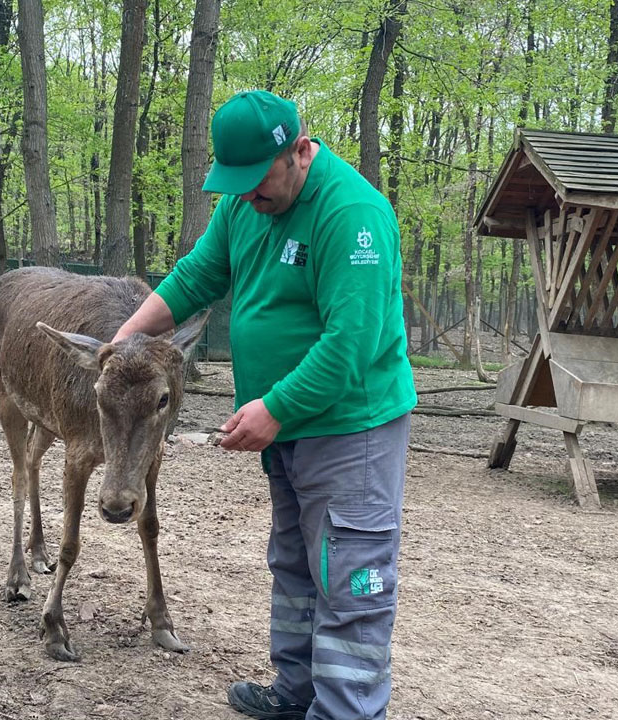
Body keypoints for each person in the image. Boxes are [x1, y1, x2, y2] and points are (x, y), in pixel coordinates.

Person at [111, 90, 417, 720]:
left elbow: (349, 345)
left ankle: (345, 711)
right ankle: (295, 694)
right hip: (286, 431)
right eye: (237, 185)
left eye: (257, 182)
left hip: (347, 429)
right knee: (297, 564)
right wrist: (125, 342)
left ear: (300, 151)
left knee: (349, 575)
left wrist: (273, 408)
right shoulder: (244, 205)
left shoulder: (352, 214)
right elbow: (196, 277)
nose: (247, 197)